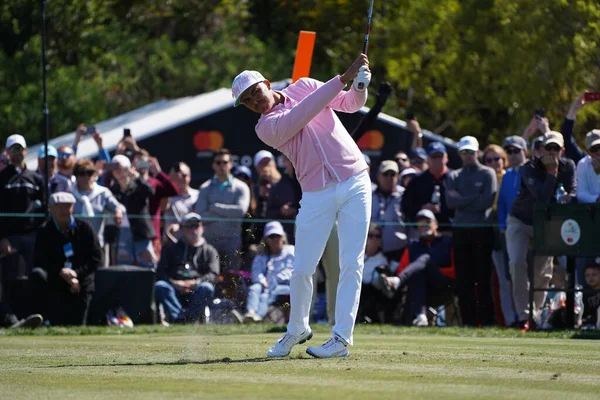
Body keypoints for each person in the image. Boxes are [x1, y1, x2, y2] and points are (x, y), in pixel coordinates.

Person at [233, 53, 372, 358]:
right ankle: (297, 328)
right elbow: (300, 116)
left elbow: (350, 105)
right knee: (302, 268)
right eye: (247, 101)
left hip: (355, 180)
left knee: (352, 262)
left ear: (267, 84)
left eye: (256, 91)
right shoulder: (265, 128)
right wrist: (343, 78)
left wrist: (359, 86)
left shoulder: (306, 85)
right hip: (315, 193)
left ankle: (340, 339)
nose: (255, 100)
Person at [506, 131, 577, 330]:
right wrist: (552, 174)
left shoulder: (569, 166)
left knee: (542, 273)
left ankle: (534, 316)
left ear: (562, 150)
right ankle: (523, 316)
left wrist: (568, 197)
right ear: (541, 150)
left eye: (556, 148)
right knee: (517, 263)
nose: (552, 152)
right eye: (549, 148)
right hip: (520, 220)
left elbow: (572, 190)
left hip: (545, 224)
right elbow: (542, 199)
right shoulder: (530, 168)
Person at [446, 136, 497, 326]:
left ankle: (487, 320)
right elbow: (450, 203)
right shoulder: (454, 176)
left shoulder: (488, 173)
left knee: (483, 278)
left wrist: (462, 199)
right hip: (460, 231)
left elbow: (486, 202)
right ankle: (467, 321)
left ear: (478, 152)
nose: (468, 155)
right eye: (464, 152)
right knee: (463, 279)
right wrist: (474, 196)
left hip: (482, 231)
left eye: (471, 152)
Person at [31, 192, 103, 326]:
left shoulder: (85, 228)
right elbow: (40, 260)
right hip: (56, 281)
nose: (64, 210)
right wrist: (61, 273)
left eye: (67, 206)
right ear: (50, 209)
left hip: (82, 282)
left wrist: (76, 274)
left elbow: (96, 258)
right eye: (59, 207)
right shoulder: (44, 231)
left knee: (78, 324)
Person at [376, 209, 455, 327]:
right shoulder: (413, 246)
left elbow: (455, 271)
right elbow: (402, 269)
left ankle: (396, 281)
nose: (424, 226)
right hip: (420, 289)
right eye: (420, 224)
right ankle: (421, 317)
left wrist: (432, 270)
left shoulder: (447, 242)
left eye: (427, 222)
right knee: (418, 273)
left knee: (425, 260)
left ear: (436, 224)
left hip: (444, 286)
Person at [154, 213, 219, 324]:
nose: (193, 230)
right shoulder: (170, 249)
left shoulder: (210, 250)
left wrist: (196, 282)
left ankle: (189, 319)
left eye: (196, 226)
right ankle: (178, 318)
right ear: (182, 229)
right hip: (174, 287)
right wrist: (174, 283)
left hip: (197, 288)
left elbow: (213, 274)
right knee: (160, 286)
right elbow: (160, 272)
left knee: (207, 287)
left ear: (202, 228)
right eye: (189, 226)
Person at [195, 148, 250, 271]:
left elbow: (240, 212)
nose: (221, 166)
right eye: (218, 162)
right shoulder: (205, 188)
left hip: (232, 243)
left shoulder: (241, 187)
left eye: (224, 162)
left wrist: (215, 207)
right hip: (209, 242)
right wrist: (228, 214)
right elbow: (201, 216)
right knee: (208, 278)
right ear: (213, 165)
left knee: (231, 281)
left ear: (230, 164)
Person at [496, 136, 529, 327]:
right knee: (516, 269)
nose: (513, 155)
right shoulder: (507, 176)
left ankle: (539, 314)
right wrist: (502, 225)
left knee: (538, 272)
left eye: (517, 151)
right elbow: (501, 204)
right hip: (512, 229)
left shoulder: (532, 171)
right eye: (509, 152)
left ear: (525, 151)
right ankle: (522, 316)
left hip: (534, 226)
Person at [0, 135, 45, 270]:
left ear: (25, 150)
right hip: (10, 238)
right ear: (7, 152)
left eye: (19, 148)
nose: (17, 152)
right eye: (13, 149)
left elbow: (45, 208)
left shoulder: (36, 179)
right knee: (11, 281)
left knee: (35, 275)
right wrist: (2, 238)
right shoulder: (1, 178)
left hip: (33, 236)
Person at [482, 143, 513, 326]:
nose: (494, 163)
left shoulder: (511, 178)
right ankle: (508, 320)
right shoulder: (485, 179)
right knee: (503, 281)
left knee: (517, 279)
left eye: (498, 159)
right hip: (495, 237)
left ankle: (523, 317)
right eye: (489, 160)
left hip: (514, 233)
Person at [108, 155, 157, 267]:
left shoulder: (138, 185)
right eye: (114, 167)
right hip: (122, 233)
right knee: (124, 266)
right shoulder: (113, 190)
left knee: (147, 264)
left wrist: (136, 176)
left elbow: (150, 192)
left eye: (119, 167)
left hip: (140, 232)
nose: (117, 171)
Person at [243, 221, 294, 322]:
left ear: (283, 237)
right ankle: (251, 313)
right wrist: (263, 281)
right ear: (266, 240)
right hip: (265, 286)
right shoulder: (261, 254)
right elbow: (256, 272)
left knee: (267, 294)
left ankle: (257, 317)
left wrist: (273, 280)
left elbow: (291, 271)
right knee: (255, 287)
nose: (275, 239)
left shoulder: (290, 251)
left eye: (278, 236)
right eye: (272, 236)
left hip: (285, 286)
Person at [71, 159, 125, 249]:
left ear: (94, 175)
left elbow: (119, 206)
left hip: (98, 244)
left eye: (90, 173)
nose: (86, 177)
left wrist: (118, 211)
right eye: (82, 173)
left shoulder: (102, 192)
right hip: (75, 243)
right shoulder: (70, 195)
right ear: (76, 176)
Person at [402, 142, 453, 233]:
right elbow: (406, 206)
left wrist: (442, 209)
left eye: (440, 156)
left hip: (449, 231)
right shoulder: (417, 181)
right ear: (427, 159)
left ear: (446, 157)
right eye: (434, 156)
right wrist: (422, 209)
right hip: (423, 232)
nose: (437, 160)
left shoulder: (455, 179)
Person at [371, 160, 407, 261]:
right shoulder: (369, 195)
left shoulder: (405, 195)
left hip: (398, 252)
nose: (389, 178)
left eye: (392, 174)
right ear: (378, 175)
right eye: (385, 174)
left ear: (398, 176)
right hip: (372, 252)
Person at [357, 223, 391, 323]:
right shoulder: (357, 256)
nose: (374, 239)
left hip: (371, 295)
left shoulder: (382, 261)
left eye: (378, 236)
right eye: (370, 236)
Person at [266, 155, 302, 244]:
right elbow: (269, 213)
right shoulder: (276, 186)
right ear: (283, 161)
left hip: (308, 232)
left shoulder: (308, 183)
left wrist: (294, 210)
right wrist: (282, 211)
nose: (292, 162)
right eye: (288, 159)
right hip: (285, 238)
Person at [164, 162, 200, 243]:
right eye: (177, 176)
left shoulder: (198, 195)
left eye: (184, 176)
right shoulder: (167, 196)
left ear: (189, 177)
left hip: (193, 241)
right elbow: (163, 207)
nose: (180, 179)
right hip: (172, 242)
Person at [576, 130, 600, 204]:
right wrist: (597, 199)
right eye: (594, 149)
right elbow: (581, 194)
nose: (598, 152)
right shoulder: (582, 164)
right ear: (588, 152)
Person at [581, 261, 600, 329]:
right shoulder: (583, 292)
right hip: (589, 322)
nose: (590, 278)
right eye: (587, 275)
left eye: (594, 275)